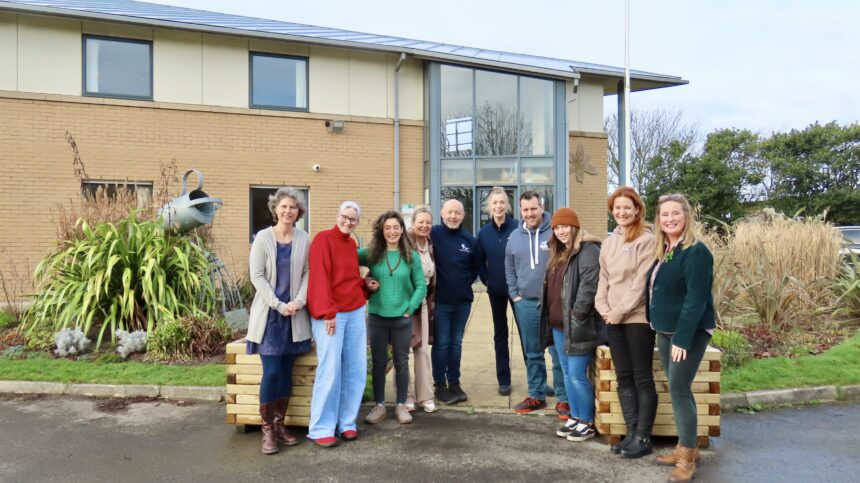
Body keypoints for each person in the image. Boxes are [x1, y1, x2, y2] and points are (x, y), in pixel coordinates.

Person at [646, 194, 715, 483]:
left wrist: (683, 340)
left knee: (679, 388)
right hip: (665, 330)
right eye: (665, 214)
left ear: (687, 216)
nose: (670, 219)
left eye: (675, 213)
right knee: (677, 390)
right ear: (658, 220)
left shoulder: (696, 252)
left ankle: (687, 457)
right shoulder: (667, 249)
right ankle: (687, 446)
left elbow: (696, 300)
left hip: (687, 333)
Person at [246, 188, 312, 454]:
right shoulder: (263, 238)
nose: (288, 211)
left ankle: (280, 425)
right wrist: (278, 304)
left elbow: (308, 273)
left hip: (295, 316)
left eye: (293, 207)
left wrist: (299, 301)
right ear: (275, 209)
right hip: (270, 317)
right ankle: (267, 431)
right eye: (284, 206)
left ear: (298, 212)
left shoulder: (304, 239)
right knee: (272, 372)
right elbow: (257, 276)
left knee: (286, 373)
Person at [595, 187, 658, 458]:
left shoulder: (647, 240)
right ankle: (631, 433)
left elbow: (641, 283)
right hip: (612, 318)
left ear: (637, 210)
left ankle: (644, 436)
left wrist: (619, 312)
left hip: (637, 318)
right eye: (617, 208)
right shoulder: (608, 243)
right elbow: (603, 279)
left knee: (642, 377)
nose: (622, 212)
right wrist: (602, 307)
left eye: (626, 208)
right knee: (623, 376)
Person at [306, 201, 370, 447]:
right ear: (337, 216)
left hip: (355, 311)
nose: (348, 222)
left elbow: (349, 278)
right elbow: (320, 277)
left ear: (357, 222)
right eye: (345, 217)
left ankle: (347, 422)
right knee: (330, 369)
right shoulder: (323, 240)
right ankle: (321, 427)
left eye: (353, 219)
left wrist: (366, 286)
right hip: (331, 314)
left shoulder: (351, 244)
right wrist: (328, 312)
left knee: (355, 368)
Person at [539, 207, 604, 442]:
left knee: (577, 374)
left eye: (564, 226)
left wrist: (577, 314)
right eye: (556, 227)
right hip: (558, 325)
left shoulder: (588, 250)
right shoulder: (559, 252)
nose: (560, 231)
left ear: (574, 226)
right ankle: (575, 417)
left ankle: (586, 421)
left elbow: (589, 284)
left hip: (577, 324)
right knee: (567, 373)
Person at [359, 210, 427, 425]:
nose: (392, 231)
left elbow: (421, 286)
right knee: (379, 363)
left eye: (396, 227)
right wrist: (365, 282)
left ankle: (400, 405)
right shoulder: (372, 253)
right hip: (377, 317)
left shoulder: (411, 256)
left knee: (401, 362)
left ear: (402, 230)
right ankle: (379, 405)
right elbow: (347, 256)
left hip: (401, 318)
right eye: (387, 228)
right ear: (381, 231)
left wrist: (410, 308)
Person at [505, 191, 568, 418]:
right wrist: (515, 294)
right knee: (532, 352)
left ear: (541, 207)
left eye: (533, 208)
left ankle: (563, 398)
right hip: (526, 304)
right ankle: (537, 395)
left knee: (558, 352)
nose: (530, 213)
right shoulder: (514, 237)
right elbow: (509, 267)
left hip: (553, 304)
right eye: (525, 210)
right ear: (520, 211)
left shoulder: (555, 232)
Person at [430, 199, 481, 405]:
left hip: (462, 302)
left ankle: (454, 382)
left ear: (463, 216)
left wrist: (461, 283)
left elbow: (475, 268)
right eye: (449, 212)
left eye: (457, 213)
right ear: (442, 213)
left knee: (455, 343)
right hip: (441, 302)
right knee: (442, 344)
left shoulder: (470, 240)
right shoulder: (433, 234)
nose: (453, 216)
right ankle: (440, 385)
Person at [476, 187, 519, 396]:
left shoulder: (518, 228)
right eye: (495, 203)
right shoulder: (484, 233)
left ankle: (536, 381)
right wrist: (488, 281)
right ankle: (504, 380)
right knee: (500, 335)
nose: (498, 206)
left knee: (527, 335)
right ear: (489, 207)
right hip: (496, 291)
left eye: (502, 202)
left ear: (507, 205)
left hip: (518, 292)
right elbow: (478, 262)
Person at [402, 205, 438, 413]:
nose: (424, 226)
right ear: (413, 223)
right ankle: (406, 396)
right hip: (404, 304)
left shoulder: (430, 244)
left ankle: (425, 397)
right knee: (402, 351)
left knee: (422, 350)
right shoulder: (404, 243)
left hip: (422, 303)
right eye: (420, 222)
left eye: (428, 222)